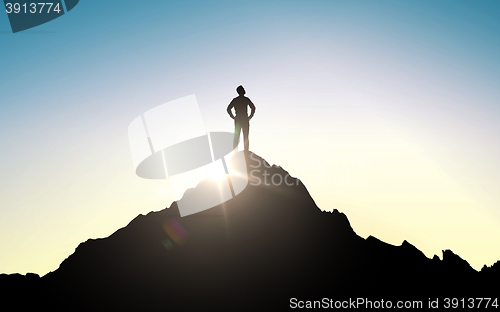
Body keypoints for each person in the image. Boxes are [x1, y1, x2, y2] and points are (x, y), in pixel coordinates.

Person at [227, 85, 256, 151]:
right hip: (244, 119)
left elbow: (228, 109)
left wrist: (233, 116)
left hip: (239, 119)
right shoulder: (245, 99)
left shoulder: (236, 100)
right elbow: (253, 108)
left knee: (239, 136)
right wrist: (250, 116)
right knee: (244, 136)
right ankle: (245, 151)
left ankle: (238, 151)